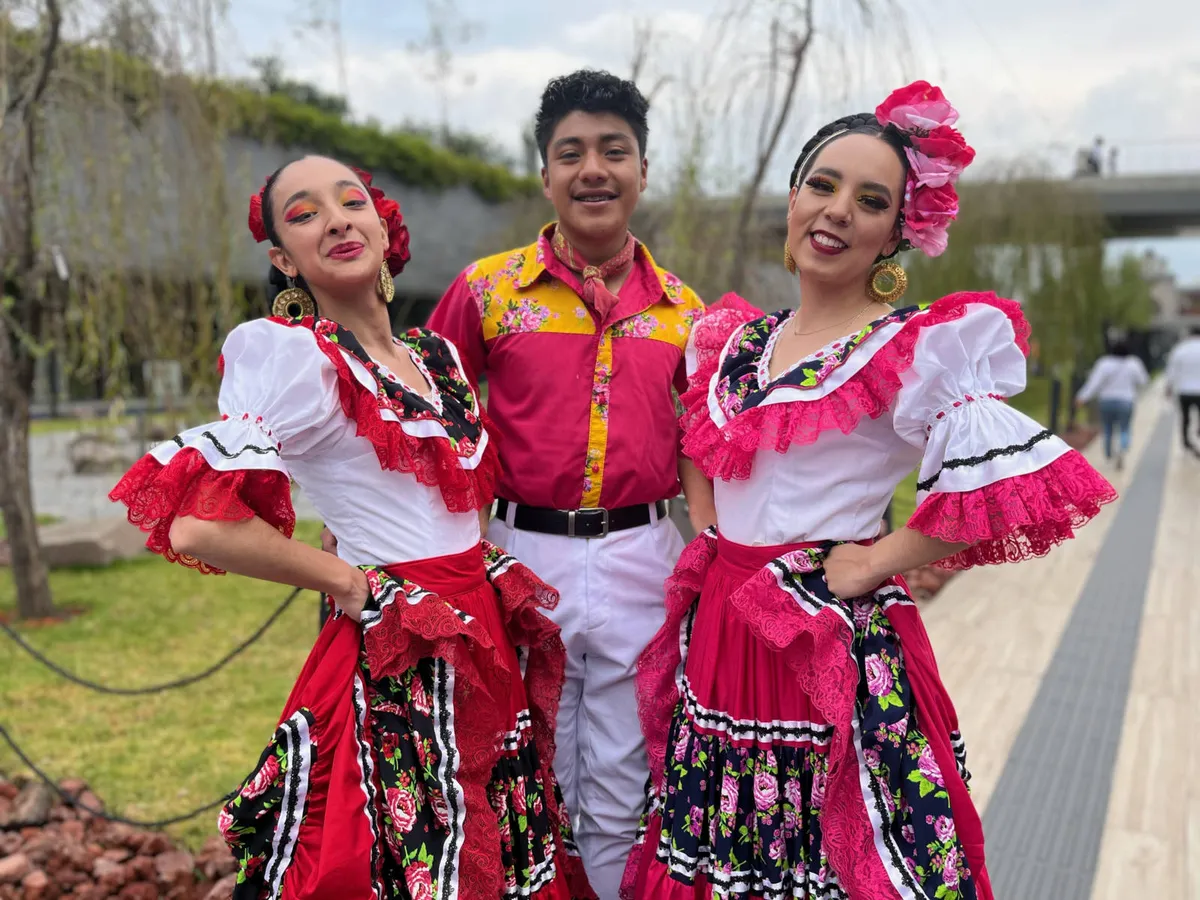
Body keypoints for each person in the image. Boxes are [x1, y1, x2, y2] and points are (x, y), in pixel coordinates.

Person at [620, 81, 1117, 900]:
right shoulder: (736, 339)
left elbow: (1003, 482)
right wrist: (708, 523)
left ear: (897, 233)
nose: (839, 210)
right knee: (722, 841)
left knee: (831, 851)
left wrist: (875, 560)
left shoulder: (909, 347)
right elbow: (698, 438)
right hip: (723, 627)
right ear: (793, 198)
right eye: (823, 184)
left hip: (823, 640)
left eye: (871, 199)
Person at [109, 156, 593, 900]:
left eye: (351, 202)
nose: (336, 220)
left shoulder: (436, 359)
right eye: (304, 215)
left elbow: (458, 500)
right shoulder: (300, 358)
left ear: (383, 226)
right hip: (396, 649)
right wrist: (348, 580)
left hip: (477, 635)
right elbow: (199, 527)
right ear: (284, 260)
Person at [425, 69, 708, 899]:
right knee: (517, 767)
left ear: (642, 170)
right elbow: (427, 415)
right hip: (519, 555)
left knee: (622, 776)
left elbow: (708, 442)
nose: (594, 169)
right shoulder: (485, 290)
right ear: (545, 172)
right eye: (571, 152)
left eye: (614, 151)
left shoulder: (685, 312)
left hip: (641, 552)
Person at [1074, 339, 1149, 469]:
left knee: (1108, 428)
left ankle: (1109, 453)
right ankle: (1122, 449)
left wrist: (1082, 397)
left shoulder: (1104, 363)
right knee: (1125, 428)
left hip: (1106, 401)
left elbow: (1094, 383)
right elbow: (1143, 381)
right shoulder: (1134, 363)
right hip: (1126, 401)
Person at [1166, 324, 1200, 456]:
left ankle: (1186, 442)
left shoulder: (1180, 349)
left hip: (1184, 390)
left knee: (1185, 417)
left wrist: (1169, 387)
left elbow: (1172, 370)